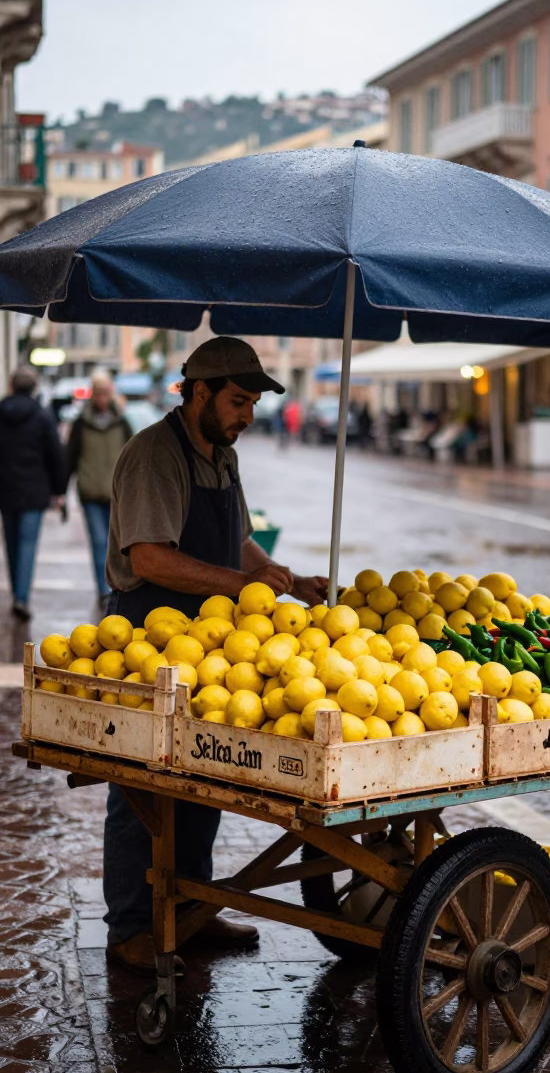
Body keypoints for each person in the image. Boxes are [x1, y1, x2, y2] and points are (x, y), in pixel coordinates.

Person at [103, 336, 327, 976]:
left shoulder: (221, 454)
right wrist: (237, 583)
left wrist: (284, 575)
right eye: (237, 401)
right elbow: (148, 555)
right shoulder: (154, 456)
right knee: (143, 785)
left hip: (215, 643)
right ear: (198, 392)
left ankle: (191, 909)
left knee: (205, 776)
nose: (247, 416)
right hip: (146, 639)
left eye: (253, 402)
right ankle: (130, 925)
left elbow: (242, 540)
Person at [0, 366, 65, 620]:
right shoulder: (42, 415)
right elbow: (55, 454)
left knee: (11, 544)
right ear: (33, 387)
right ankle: (21, 597)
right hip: (34, 490)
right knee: (27, 544)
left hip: (5, 489)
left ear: (12, 385)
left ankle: (17, 590)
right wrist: (59, 490)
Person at [66, 372, 132, 606]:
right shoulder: (81, 424)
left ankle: (116, 586)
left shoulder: (122, 422)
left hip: (116, 494)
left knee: (117, 544)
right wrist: (62, 494)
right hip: (90, 492)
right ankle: (103, 589)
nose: (102, 399)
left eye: (106, 394)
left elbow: (133, 457)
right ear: (93, 395)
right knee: (97, 541)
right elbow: (70, 458)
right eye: (98, 394)